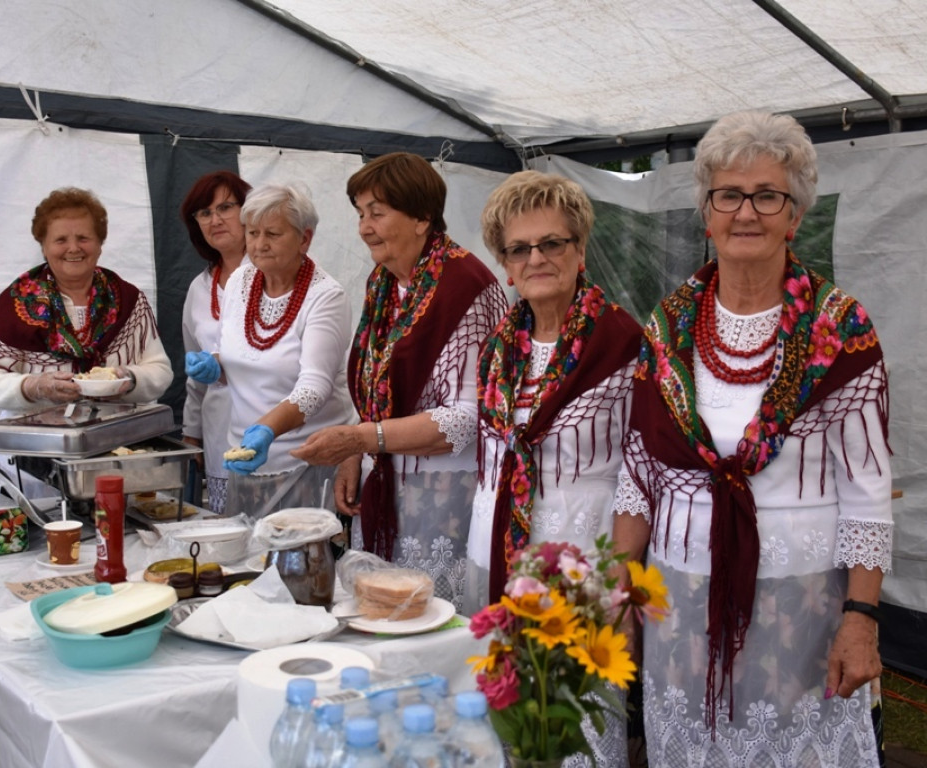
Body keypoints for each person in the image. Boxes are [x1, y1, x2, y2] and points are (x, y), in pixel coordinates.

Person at [613, 111, 892, 767]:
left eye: (768, 195)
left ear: (794, 216)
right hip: (678, 599)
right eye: (728, 195)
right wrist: (621, 586)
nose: (747, 212)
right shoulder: (669, 326)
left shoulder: (838, 329)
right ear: (706, 213)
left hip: (804, 605)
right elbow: (638, 471)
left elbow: (868, 491)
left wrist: (861, 618)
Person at [469, 170, 643, 768]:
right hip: (497, 551)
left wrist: (622, 580)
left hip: (582, 559)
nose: (537, 258)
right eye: (520, 248)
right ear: (505, 263)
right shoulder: (498, 346)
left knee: (576, 724)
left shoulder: (621, 341)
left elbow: (640, 473)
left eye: (553, 243)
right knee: (507, 718)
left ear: (580, 249)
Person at [292, 152, 508, 613]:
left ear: (421, 216)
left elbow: (466, 420)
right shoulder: (383, 284)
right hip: (389, 482)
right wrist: (356, 450)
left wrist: (361, 437)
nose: (364, 226)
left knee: (429, 620)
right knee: (383, 616)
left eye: (377, 212)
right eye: (360, 213)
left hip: (445, 491)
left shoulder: (465, 283)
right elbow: (376, 391)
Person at [185, 183, 353, 518]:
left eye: (273, 234)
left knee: (301, 564)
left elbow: (314, 388)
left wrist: (268, 429)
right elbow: (234, 351)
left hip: (305, 463)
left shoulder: (326, 297)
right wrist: (215, 365)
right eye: (252, 233)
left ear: (304, 238)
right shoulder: (242, 280)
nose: (259, 245)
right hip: (245, 460)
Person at [0, 187, 173, 413]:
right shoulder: (16, 303)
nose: (73, 248)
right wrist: (33, 386)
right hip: (37, 443)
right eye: (60, 240)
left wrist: (130, 379)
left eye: (83, 238)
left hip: (114, 440)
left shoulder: (128, 299)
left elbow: (160, 370)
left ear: (99, 244)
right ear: (44, 247)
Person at [180, 171, 252, 514]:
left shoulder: (277, 275)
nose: (215, 219)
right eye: (204, 213)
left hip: (274, 426)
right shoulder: (199, 288)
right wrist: (191, 434)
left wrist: (226, 360)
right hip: (219, 427)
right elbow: (195, 373)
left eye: (225, 207)